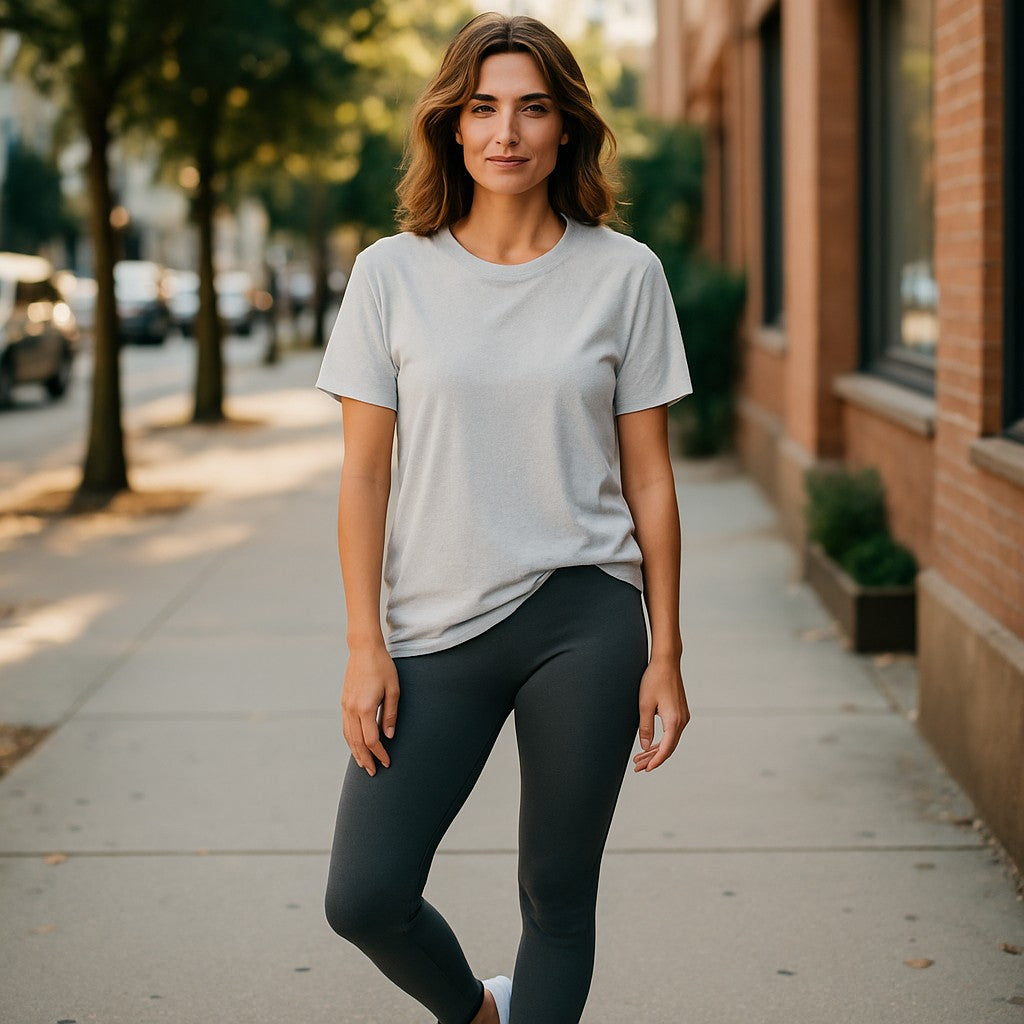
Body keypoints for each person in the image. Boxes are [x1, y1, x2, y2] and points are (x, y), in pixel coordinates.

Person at [315, 12, 692, 1024]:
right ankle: (479, 1013)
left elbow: (650, 480)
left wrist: (665, 651)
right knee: (365, 895)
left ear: (566, 127)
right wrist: (364, 644)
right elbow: (362, 480)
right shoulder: (391, 274)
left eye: (531, 108)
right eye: (482, 107)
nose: (506, 131)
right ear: (450, 124)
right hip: (434, 620)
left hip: (586, 618)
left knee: (556, 897)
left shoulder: (626, 274)